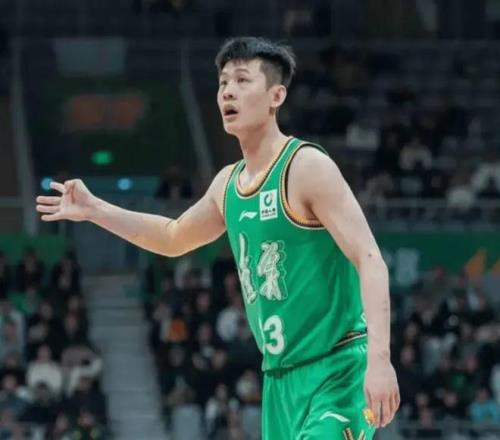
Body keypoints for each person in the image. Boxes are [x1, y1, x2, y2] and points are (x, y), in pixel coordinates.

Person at [36, 37, 400, 439]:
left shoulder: (306, 167)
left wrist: (380, 360)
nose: (228, 91)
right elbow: (173, 238)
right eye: (223, 82)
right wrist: (95, 210)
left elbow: (370, 258)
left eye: (242, 80)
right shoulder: (227, 185)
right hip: (279, 381)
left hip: (338, 369)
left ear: (276, 96)